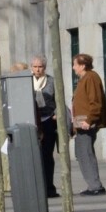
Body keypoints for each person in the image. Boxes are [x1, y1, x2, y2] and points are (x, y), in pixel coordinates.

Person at [71, 53, 106, 195]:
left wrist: (90, 120)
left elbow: (95, 101)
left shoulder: (91, 77)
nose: (73, 67)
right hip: (81, 122)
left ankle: (95, 186)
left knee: (85, 153)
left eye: (75, 64)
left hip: (86, 123)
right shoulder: (84, 79)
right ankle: (93, 185)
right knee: (82, 153)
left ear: (82, 65)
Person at [30, 56, 59, 198]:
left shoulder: (52, 81)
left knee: (47, 155)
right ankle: (36, 188)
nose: (37, 69)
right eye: (35, 67)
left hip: (48, 120)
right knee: (34, 156)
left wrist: (57, 114)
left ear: (44, 68)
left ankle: (49, 187)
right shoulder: (27, 81)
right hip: (33, 121)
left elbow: (59, 100)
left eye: (40, 67)